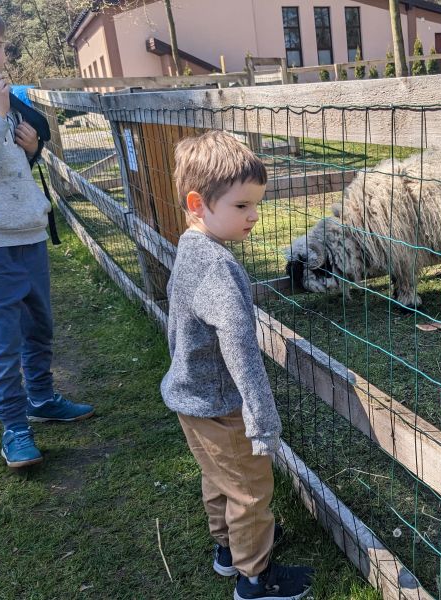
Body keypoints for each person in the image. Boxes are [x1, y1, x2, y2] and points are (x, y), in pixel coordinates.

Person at [162, 130, 313, 600]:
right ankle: (255, 577)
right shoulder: (220, 268)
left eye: (256, 204)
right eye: (242, 206)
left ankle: (228, 551)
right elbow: (242, 352)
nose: (253, 216)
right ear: (198, 202)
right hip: (225, 406)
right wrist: (262, 418)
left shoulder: (190, 246)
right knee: (250, 490)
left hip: (192, 400)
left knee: (218, 477)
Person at [0, 0, 93, 469]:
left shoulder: (4, 97)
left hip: (30, 233)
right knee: (3, 339)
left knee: (39, 325)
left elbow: (23, 157)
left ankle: (41, 399)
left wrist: (36, 145)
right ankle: (14, 427)